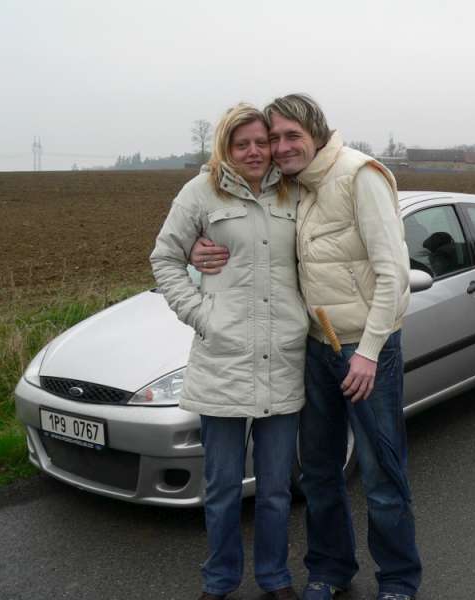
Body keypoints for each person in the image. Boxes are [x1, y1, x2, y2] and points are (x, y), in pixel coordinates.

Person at [192, 94, 421, 600]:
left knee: (381, 471)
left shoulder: (360, 175)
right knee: (318, 471)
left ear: (316, 133)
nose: (279, 147)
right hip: (315, 346)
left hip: (365, 349)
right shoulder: (292, 185)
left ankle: (398, 579)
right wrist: (195, 247)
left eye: (290, 136)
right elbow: (236, 209)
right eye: (274, 137)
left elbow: (394, 272)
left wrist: (369, 352)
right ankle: (330, 569)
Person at [150, 103, 307, 600]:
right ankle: (219, 580)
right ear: (226, 147)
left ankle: (275, 577)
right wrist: (202, 315)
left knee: (276, 489)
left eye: (262, 142)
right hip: (223, 363)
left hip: (282, 359)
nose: (255, 152)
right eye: (243, 145)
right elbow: (165, 259)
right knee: (221, 489)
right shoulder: (199, 193)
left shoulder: (295, 191)